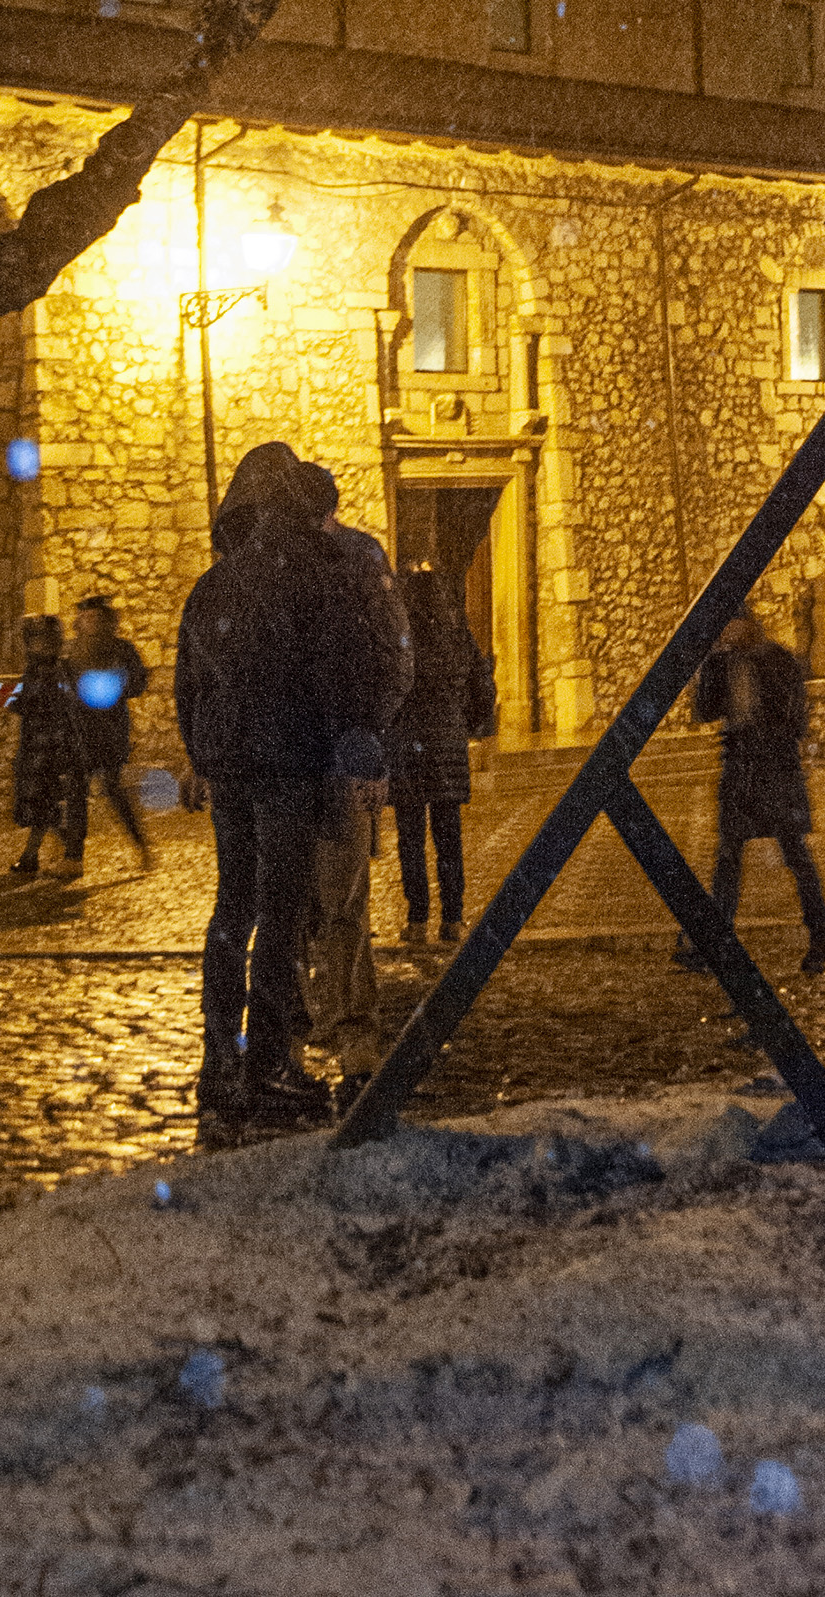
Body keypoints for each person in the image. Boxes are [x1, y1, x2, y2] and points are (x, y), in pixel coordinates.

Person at [176, 440, 398, 1137]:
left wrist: (204, 754)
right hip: (290, 770)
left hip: (233, 772)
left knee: (230, 911)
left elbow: (190, 685)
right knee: (279, 918)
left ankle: (219, 1063)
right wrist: (354, 746)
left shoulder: (214, 584)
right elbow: (345, 672)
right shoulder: (317, 573)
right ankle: (269, 1062)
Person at [293, 459, 412, 1075]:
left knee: (325, 900)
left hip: (317, 757)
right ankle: (339, 1023)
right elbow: (395, 663)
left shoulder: (349, 560)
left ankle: (339, 1026)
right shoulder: (350, 558)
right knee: (335, 902)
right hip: (329, 754)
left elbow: (391, 662)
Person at [682, 610, 825, 976]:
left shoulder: (778, 660)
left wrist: (765, 735)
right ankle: (716, 944)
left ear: (748, 624)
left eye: (732, 624)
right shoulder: (724, 662)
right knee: (728, 858)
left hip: (775, 770)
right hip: (740, 770)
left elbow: (794, 716)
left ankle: (821, 935)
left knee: (795, 854)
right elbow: (704, 711)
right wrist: (711, 661)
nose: (728, 631)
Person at [387, 562, 497, 943]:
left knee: (411, 838)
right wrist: (466, 724)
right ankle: (452, 918)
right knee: (448, 835)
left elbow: (388, 688)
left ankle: (417, 920)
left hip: (407, 748)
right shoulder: (457, 635)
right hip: (448, 744)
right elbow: (483, 687)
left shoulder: (401, 638)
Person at [70, 593, 154, 869]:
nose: (90, 622)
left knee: (113, 788)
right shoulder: (72, 651)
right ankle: (73, 856)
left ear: (107, 621)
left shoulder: (122, 650)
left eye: (96, 617)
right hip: (78, 730)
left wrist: (113, 688)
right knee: (75, 791)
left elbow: (138, 682)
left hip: (110, 730)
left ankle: (141, 847)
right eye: (86, 617)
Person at [8, 613, 87, 880]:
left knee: (44, 802)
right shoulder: (39, 669)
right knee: (42, 803)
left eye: (40, 640)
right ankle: (34, 855)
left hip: (51, 748)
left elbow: (50, 704)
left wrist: (20, 702)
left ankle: (60, 852)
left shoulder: (55, 670)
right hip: (37, 745)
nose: (35, 646)